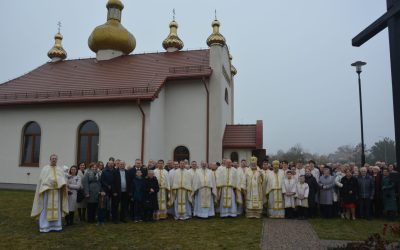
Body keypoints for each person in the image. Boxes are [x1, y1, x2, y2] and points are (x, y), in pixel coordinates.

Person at [31, 154, 69, 233]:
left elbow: (62, 179)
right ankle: (45, 226)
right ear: (50, 159)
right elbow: (42, 180)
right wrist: (49, 182)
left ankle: (56, 226)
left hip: (57, 192)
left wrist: (60, 183)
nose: (54, 160)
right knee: (45, 209)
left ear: (57, 160)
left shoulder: (59, 169)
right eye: (52, 158)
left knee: (57, 208)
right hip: (47, 192)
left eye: (55, 158)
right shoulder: (45, 169)